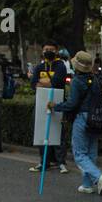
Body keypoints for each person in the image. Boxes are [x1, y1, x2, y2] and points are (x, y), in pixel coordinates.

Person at [49, 50, 102, 195]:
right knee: (91, 152)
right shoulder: (96, 79)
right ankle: (87, 185)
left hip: (83, 118)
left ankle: (99, 176)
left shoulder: (77, 81)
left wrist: (56, 106)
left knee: (80, 153)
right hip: (98, 118)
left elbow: (72, 104)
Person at [30, 41, 69, 174]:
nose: (48, 51)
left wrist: (43, 83)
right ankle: (44, 162)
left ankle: (61, 162)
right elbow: (33, 83)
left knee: (58, 133)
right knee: (42, 132)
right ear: (42, 51)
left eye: (51, 49)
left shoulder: (61, 66)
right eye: (46, 49)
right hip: (41, 104)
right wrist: (48, 83)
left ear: (56, 51)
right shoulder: (39, 67)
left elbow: (57, 82)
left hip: (57, 104)